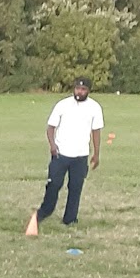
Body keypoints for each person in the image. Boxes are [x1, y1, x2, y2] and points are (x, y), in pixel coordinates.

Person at [36, 76, 104, 227]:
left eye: (83, 89)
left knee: (75, 188)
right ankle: (44, 212)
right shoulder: (63, 105)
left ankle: (70, 219)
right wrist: (52, 145)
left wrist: (96, 154)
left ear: (88, 91)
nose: (79, 92)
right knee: (54, 185)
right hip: (60, 154)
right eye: (77, 88)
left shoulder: (94, 108)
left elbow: (96, 131)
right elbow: (51, 127)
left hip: (80, 155)